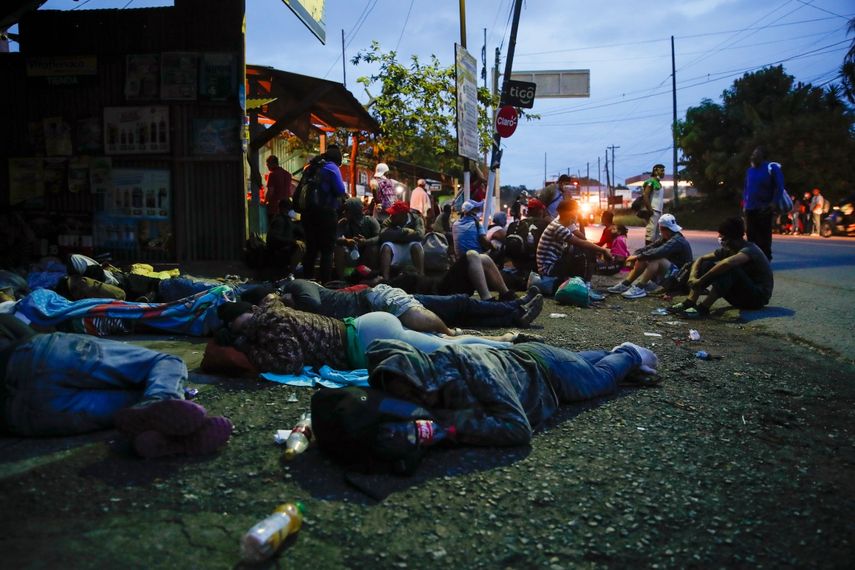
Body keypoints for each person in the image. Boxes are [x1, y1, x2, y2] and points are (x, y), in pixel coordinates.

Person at [0, 315, 232, 458]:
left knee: (137, 408)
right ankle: (164, 404)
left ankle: (165, 424)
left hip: (20, 416)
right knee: (166, 363)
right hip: (35, 355)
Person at [364, 338, 658, 447]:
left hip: (548, 373)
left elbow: (516, 429)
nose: (418, 400)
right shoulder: (428, 378)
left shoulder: (470, 366)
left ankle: (629, 353)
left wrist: (446, 427)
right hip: (537, 360)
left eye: (413, 391)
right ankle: (612, 355)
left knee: (601, 380)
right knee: (580, 364)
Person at [217, 296, 521, 375]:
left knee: (444, 348)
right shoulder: (273, 309)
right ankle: (501, 342)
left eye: (237, 323)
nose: (239, 327)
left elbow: (288, 362)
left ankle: (505, 347)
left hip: (366, 340)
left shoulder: (269, 326)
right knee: (443, 344)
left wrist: (247, 347)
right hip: (366, 326)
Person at [668, 217, 773, 318]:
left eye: (722, 236)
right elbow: (701, 259)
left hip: (756, 299)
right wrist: (693, 277)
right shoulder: (729, 249)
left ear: (731, 238)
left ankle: (703, 308)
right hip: (739, 295)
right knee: (706, 264)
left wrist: (701, 281)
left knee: (729, 268)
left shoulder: (750, 250)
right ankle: (689, 302)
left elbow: (726, 263)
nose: (720, 239)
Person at [607, 213, 693, 299]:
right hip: (670, 274)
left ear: (663, 228)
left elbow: (658, 252)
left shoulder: (677, 240)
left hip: (679, 278)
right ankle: (625, 284)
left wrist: (637, 257)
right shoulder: (667, 237)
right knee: (643, 258)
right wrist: (635, 255)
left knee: (654, 259)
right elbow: (648, 248)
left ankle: (640, 288)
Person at [535, 199, 612, 289]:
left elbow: (583, 238)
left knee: (586, 248)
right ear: (570, 213)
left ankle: (584, 283)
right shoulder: (558, 228)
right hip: (549, 270)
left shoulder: (561, 222)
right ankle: (585, 286)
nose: (577, 215)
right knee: (582, 251)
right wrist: (603, 250)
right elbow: (581, 242)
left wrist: (582, 221)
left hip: (552, 266)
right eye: (576, 212)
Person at [301, 145, 347, 283]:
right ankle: (325, 284)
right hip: (325, 214)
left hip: (308, 214)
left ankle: (307, 280)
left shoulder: (311, 167)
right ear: (337, 159)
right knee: (327, 250)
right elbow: (340, 190)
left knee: (311, 249)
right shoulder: (332, 168)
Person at [743, 147, 784, 260]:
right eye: (752, 154)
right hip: (750, 208)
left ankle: (765, 259)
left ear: (763, 156)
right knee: (751, 236)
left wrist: (773, 202)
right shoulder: (750, 170)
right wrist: (744, 204)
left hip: (765, 208)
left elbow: (779, 186)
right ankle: (752, 259)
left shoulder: (772, 168)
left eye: (756, 154)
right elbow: (746, 188)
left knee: (763, 236)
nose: (753, 156)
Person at [335, 198, 381, 278]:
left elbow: (379, 237)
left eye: (347, 210)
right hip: (352, 255)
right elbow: (334, 238)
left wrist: (365, 241)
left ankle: (370, 276)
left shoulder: (370, 221)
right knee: (339, 248)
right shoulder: (344, 223)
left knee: (373, 248)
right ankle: (343, 279)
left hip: (367, 254)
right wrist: (346, 241)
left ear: (354, 211)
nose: (344, 212)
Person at [379, 201, 425, 281]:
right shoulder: (389, 220)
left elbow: (420, 235)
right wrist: (404, 232)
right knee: (386, 246)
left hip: (409, 247)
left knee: (416, 246)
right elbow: (383, 235)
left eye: (394, 214)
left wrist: (395, 235)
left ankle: (421, 277)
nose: (391, 216)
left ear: (403, 215)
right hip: (396, 247)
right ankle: (385, 279)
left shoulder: (416, 219)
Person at [267, 198, 305, 279]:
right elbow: (274, 238)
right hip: (279, 251)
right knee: (301, 247)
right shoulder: (279, 221)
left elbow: (299, 231)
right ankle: (291, 272)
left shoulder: (287, 220)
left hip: (284, 248)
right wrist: (294, 241)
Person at [642, 164, 665, 245]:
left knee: (657, 235)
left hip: (659, 212)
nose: (663, 173)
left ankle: (654, 254)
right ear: (655, 171)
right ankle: (646, 253)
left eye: (663, 170)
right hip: (653, 211)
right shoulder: (650, 182)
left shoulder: (659, 184)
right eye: (661, 170)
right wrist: (650, 209)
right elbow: (645, 196)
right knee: (650, 234)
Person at [264, 155, 292, 223]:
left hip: (275, 208)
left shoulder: (272, 174)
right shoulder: (287, 174)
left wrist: (265, 201)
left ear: (272, 164)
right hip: (287, 207)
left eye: (268, 164)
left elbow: (270, 191)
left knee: (275, 229)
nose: (267, 166)